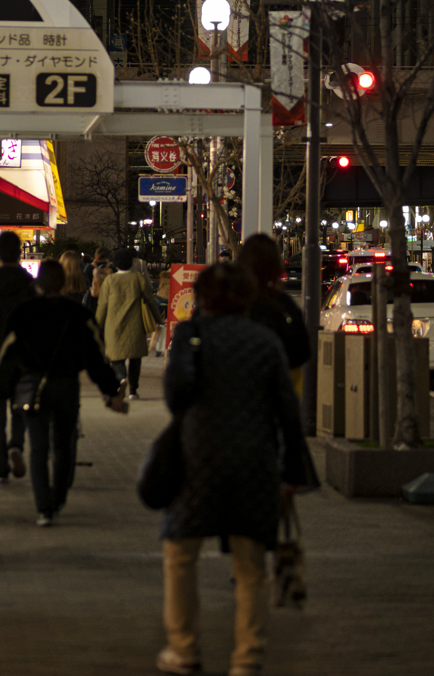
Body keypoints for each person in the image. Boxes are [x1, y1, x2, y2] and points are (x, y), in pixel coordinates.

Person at [157, 263, 306, 676]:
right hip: (254, 461)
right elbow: (287, 413)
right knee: (250, 564)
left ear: (202, 298)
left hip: (196, 460)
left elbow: (176, 396)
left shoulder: (191, 335)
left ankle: (184, 649)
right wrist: (292, 471)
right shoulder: (264, 340)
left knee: (180, 553)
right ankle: (247, 657)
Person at [0, 258, 128, 526]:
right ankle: (58, 498)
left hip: (34, 386)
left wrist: (3, 389)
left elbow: (9, 354)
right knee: (64, 445)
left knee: (39, 447)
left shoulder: (24, 313)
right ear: (64, 282)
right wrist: (111, 391)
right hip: (66, 385)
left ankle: (44, 509)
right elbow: (96, 358)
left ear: (39, 282)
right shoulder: (78, 314)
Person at [0, 230, 36, 482]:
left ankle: (0, 464)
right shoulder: (29, 284)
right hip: (22, 354)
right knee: (20, 406)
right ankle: (16, 445)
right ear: (19, 254)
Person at [237, 233, 311, 396]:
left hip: (226, 402)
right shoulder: (281, 305)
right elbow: (302, 350)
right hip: (273, 400)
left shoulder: (225, 300)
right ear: (275, 266)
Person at [95, 248, 161, 400]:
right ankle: (133, 391)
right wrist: (158, 319)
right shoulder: (138, 278)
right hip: (135, 324)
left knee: (115, 357)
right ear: (131, 263)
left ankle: (121, 377)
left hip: (114, 325)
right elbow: (150, 300)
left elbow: (102, 306)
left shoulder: (110, 281)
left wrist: (97, 325)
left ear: (115, 264)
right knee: (135, 359)